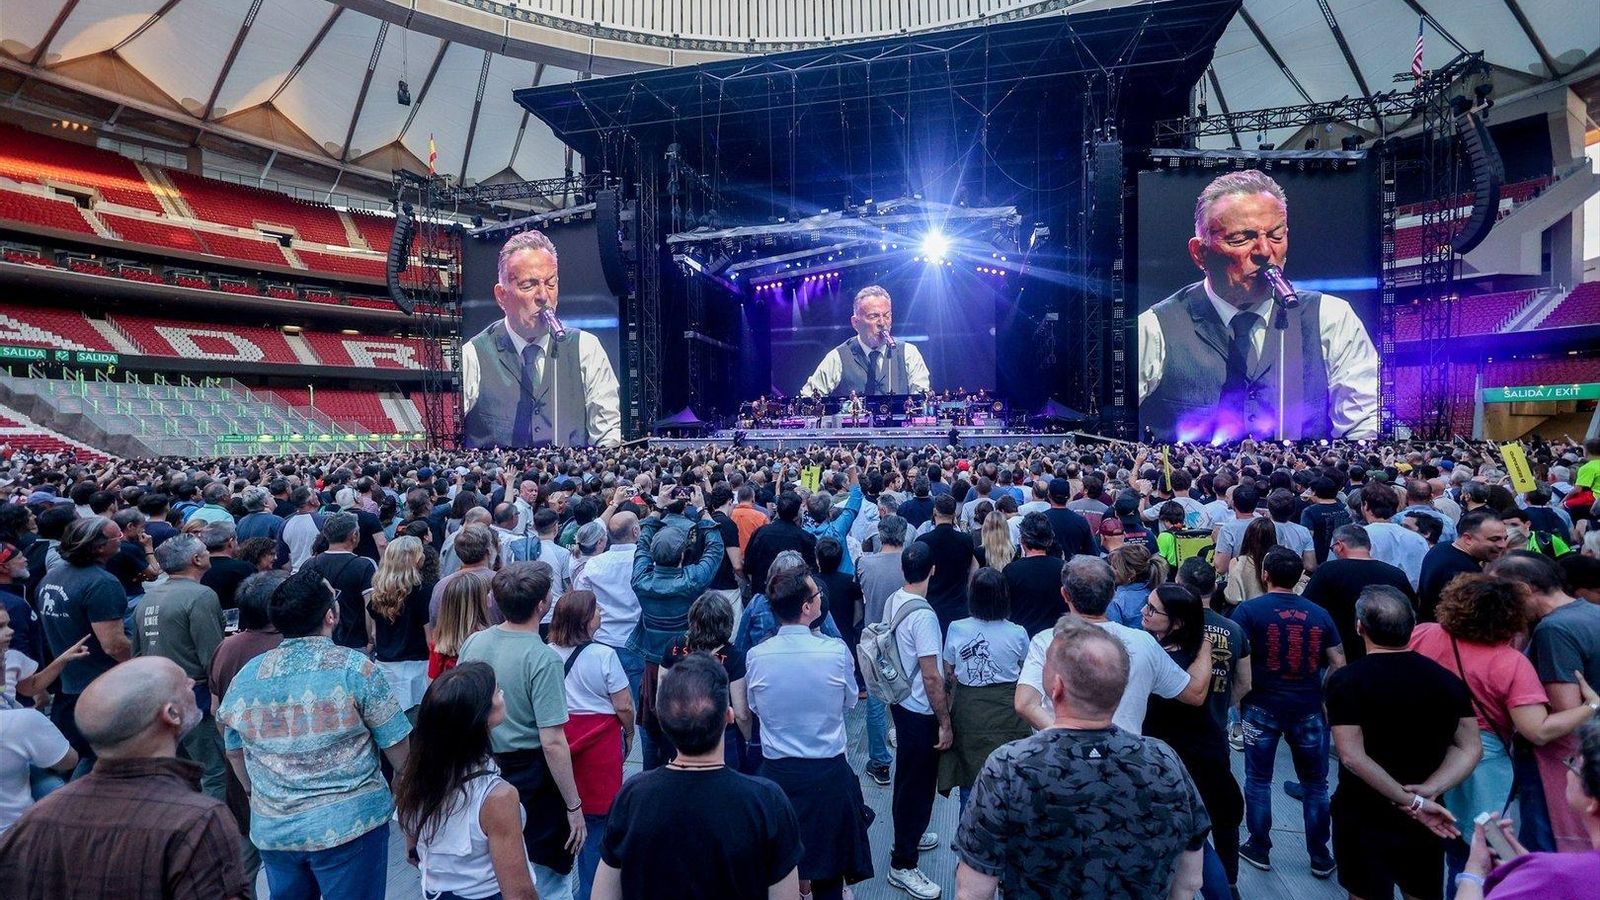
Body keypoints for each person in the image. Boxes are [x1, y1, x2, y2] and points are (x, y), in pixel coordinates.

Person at [954, 618, 1209, 899]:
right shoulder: (1164, 761)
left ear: (1057, 688)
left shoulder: (1009, 767)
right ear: (1120, 687)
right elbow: (1190, 882)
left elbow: (973, 891)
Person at [1136, 168, 1379, 441]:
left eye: (1276, 236)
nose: (1265, 251)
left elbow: (1366, 427)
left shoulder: (1332, 319)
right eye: (1241, 239)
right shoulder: (1155, 328)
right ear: (1200, 253)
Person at [217, 568, 411, 900]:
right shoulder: (355, 668)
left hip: (276, 828)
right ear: (331, 615)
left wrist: (254, 794)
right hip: (351, 826)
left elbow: (233, 746)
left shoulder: (247, 676)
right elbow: (398, 749)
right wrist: (405, 800)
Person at [0, 657, 247, 900]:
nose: (193, 683)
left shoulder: (36, 819)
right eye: (184, 685)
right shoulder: (198, 821)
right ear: (172, 714)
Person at [1410, 573, 1600, 883]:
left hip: (1423, 745)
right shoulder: (1510, 663)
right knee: (1475, 848)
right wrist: (1589, 706)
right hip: (1481, 765)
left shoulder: (1425, 634)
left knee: (1426, 840)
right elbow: (1537, 729)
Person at [594, 652, 802, 899]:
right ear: (728, 716)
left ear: (663, 719)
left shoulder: (632, 797)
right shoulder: (766, 802)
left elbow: (603, 894)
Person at [1324, 586, 1480, 900]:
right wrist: (1431, 789)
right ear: (1411, 627)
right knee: (1420, 889)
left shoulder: (1347, 681)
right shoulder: (1447, 681)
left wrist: (1409, 800)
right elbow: (1469, 746)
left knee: (1365, 892)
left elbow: (1352, 755)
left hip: (1364, 810)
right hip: (1427, 814)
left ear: (1360, 627)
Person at [458, 561, 586, 900]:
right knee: (546, 877)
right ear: (542, 605)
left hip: (481, 767)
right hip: (531, 778)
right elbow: (553, 739)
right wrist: (574, 805)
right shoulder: (543, 658)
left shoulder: (474, 643)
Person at [745, 569, 872, 899]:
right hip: (828, 773)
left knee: (778, 870)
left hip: (777, 775)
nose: (820, 600)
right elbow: (848, 702)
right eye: (816, 595)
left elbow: (754, 708)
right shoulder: (835, 651)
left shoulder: (756, 656)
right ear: (806, 607)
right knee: (830, 874)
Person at [1231, 546, 1346, 877]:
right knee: (1316, 784)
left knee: (1257, 779)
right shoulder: (1319, 613)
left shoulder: (1249, 612)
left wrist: (1240, 698)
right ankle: (1320, 854)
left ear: (1265, 575)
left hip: (1261, 706)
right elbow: (1338, 660)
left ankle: (1259, 845)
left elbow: (1240, 661)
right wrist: (1324, 696)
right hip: (1309, 707)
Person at [1014, 555, 1211, 734]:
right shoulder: (1143, 643)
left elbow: (1025, 704)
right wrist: (1205, 644)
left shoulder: (1048, 640)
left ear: (1065, 595)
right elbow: (1194, 693)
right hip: (1125, 759)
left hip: (1060, 761)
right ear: (1112, 594)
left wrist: (1064, 736)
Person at [461, 229, 622, 448]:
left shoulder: (586, 348)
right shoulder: (474, 355)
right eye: (528, 285)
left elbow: (608, 434)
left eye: (551, 284)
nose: (543, 296)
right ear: (501, 296)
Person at [394, 661, 539, 900]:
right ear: (480, 716)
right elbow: (518, 892)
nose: (502, 693)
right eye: (496, 691)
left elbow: (412, 852)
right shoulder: (497, 797)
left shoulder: (414, 775)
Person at [1489, 551, 1600, 854]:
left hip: (1558, 762)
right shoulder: (1590, 612)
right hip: (1586, 756)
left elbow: (1565, 709)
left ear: (1524, 590)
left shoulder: (1555, 629)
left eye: (1502, 593)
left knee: (1548, 848)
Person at [1141, 583, 1245, 897]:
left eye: (1152, 610)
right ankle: (1228, 886)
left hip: (1176, 764)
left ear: (1178, 622)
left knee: (1191, 845)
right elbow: (1243, 683)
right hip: (1208, 756)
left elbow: (1194, 694)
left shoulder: (1162, 659)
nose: (1144, 613)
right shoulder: (1198, 649)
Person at [546, 589, 635, 900]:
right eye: (597, 610)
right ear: (584, 620)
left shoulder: (547, 654)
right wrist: (629, 732)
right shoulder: (604, 655)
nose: (602, 615)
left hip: (559, 740)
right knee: (598, 826)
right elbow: (623, 704)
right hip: (599, 748)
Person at [628, 496, 725, 769]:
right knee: (689, 716)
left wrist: (657, 508)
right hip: (686, 661)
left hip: (652, 661)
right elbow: (715, 550)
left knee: (651, 723)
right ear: (683, 555)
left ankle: (652, 770)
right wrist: (705, 510)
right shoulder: (691, 580)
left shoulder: (641, 580)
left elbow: (642, 547)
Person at [207, 569, 288, 892]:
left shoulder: (225, 648)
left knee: (245, 858)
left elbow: (217, 711)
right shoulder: (288, 646)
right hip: (282, 770)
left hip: (241, 767)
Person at [132, 533, 227, 800]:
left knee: (181, 770)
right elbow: (213, 656)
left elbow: (137, 652)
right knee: (214, 771)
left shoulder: (147, 599)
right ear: (196, 559)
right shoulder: (201, 596)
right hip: (194, 696)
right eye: (205, 550)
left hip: (157, 695)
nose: (209, 553)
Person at [1458, 721, 1600, 898]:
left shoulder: (1552, 875)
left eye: (1575, 764)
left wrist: (1474, 872)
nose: (1568, 771)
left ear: (1593, 801)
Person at [882, 541, 952, 899]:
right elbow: (931, 675)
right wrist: (944, 720)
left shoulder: (896, 599)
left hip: (900, 702)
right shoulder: (924, 615)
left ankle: (910, 833)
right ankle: (902, 862)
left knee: (909, 778)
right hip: (921, 710)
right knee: (916, 784)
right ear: (933, 570)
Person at [37, 515, 131, 772]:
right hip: (100, 687)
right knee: (100, 761)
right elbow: (113, 645)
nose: (122, 538)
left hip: (69, 684)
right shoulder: (102, 584)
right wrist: (141, 662)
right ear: (99, 547)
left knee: (83, 758)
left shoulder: (51, 578)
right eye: (117, 536)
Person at [937, 567, 1029, 814]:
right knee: (1009, 781)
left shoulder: (956, 628)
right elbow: (1026, 671)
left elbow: (949, 675)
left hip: (969, 712)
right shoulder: (1018, 633)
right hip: (1008, 711)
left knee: (970, 783)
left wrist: (945, 720)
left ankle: (967, 843)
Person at [660, 591, 752, 768]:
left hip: (680, 733)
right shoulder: (734, 657)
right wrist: (748, 740)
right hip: (723, 738)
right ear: (726, 623)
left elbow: (660, 700)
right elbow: (741, 713)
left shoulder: (674, 647)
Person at [1302, 523, 1416, 662]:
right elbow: (1412, 611)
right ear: (1369, 546)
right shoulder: (1396, 574)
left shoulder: (1328, 571)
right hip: (1388, 654)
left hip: (1339, 655)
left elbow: (1307, 608)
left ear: (1339, 546)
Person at [800, 284, 931, 396]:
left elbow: (922, 402)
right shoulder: (838, 356)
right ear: (855, 322)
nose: (882, 323)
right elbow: (808, 398)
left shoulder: (909, 353)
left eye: (887, 316)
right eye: (873, 316)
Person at [856, 514, 909, 785]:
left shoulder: (864, 563)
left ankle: (880, 761)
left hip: (875, 642)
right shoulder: (911, 563)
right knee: (907, 700)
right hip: (905, 641)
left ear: (880, 534)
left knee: (876, 703)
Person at [366, 535, 435, 719]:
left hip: (385, 666)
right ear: (416, 559)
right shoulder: (423, 592)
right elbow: (430, 639)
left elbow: (373, 633)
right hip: (417, 669)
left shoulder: (377, 593)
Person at [300, 512, 379, 651]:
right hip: (354, 643)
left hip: (317, 643)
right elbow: (370, 607)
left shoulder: (309, 564)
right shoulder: (364, 565)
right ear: (354, 536)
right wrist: (371, 640)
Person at [1419, 509, 1508, 622]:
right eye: (1495, 539)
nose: (1503, 545)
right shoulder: (1465, 574)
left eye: (1505, 538)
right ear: (1468, 539)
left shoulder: (1442, 548)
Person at [916, 493, 976, 633]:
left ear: (935, 512)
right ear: (954, 514)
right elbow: (972, 568)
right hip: (958, 606)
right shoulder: (966, 540)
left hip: (931, 606)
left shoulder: (923, 541)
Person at [1003, 513, 1064, 637]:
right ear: (1050, 539)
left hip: (1022, 638)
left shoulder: (1011, 571)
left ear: (1022, 540)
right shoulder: (1064, 569)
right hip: (1055, 637)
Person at [431, 570, 493, 677]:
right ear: (479, 603)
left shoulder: (438, 643)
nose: (490, 596)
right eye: (487, 593)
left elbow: (432, 682)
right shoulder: (488, 640)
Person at [1222, 516, 1282, 606]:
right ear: (1273, 537)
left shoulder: (1238, 562)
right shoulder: (1280, 562)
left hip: (1247, 614)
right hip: (1274, 610)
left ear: (1248, 537)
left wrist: (1225, 589)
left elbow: (1233, 598)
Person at [200, 521, 257, 611]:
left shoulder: (198, 568)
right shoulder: (244, 568)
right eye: (236, 540)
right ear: (231, 542)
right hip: (237, 622)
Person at [1107, 543, 1167, 627]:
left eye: (1115, 567)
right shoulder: (1159, 591)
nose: (1110, 569)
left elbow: (1114, 634)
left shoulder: (1117, 602)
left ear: (1130, 574)